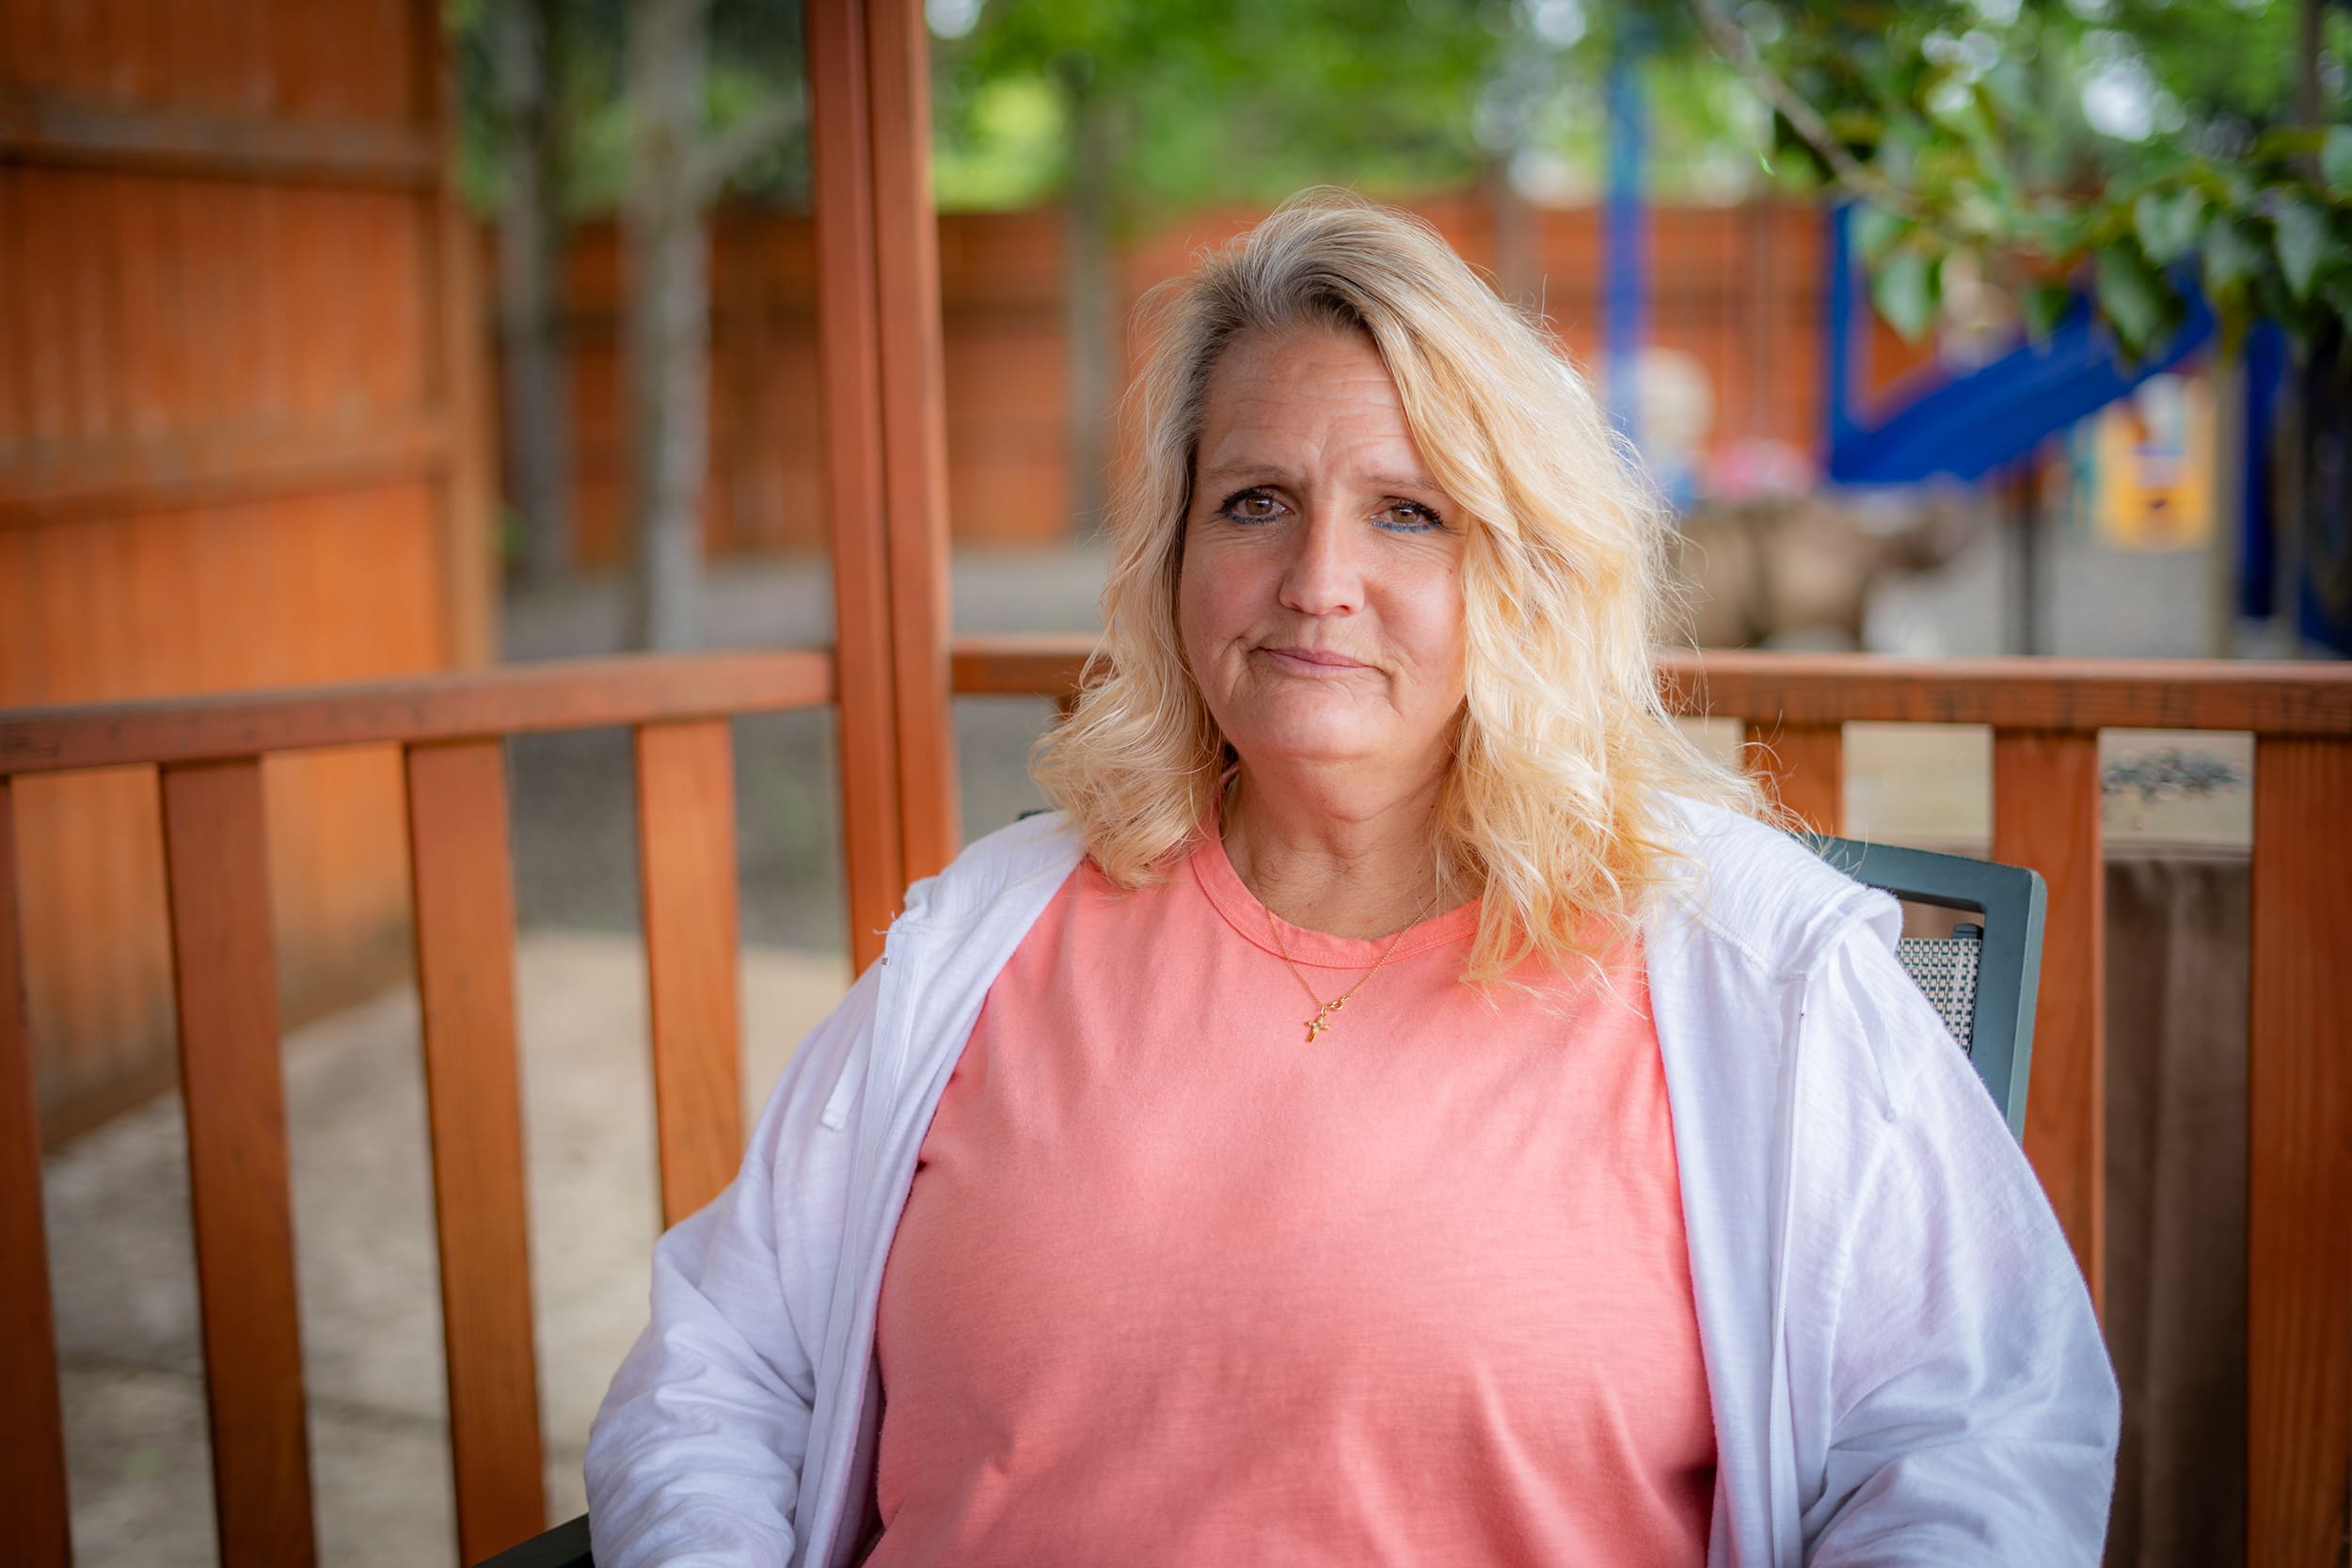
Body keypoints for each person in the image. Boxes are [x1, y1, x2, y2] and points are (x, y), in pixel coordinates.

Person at [584, 193, 2117, 1567]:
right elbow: (723, 1360)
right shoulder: (986, 936)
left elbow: (1978, 1435)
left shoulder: (1745, 964)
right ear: (1177, 552)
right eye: (1256, 501)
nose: (1319, 578)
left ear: (1521, 569)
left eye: (1409, 512)